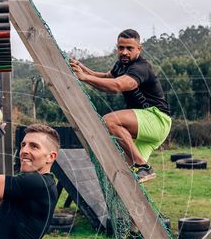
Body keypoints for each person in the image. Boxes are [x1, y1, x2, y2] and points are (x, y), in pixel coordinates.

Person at [69, 29, 171, 183]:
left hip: (156, 119)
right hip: (142, 128)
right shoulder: (120, 65)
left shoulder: (140, 67)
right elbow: (105, 77)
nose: (124, 52)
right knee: (127, 177)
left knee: (110, 121)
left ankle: (143, 165)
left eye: (129, 48)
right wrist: (83, 69)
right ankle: (139, 181)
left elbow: (117, 85)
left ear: (139, 49)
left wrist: (84, 77)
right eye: (120, 47)